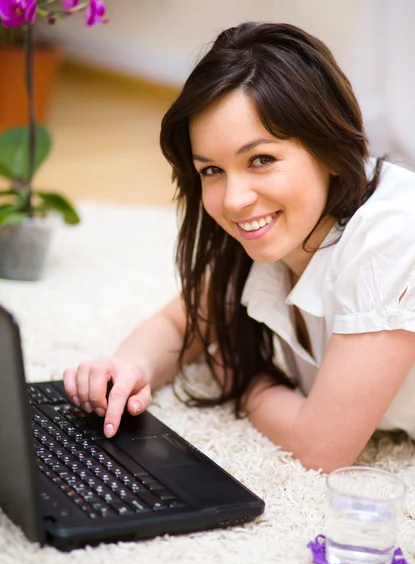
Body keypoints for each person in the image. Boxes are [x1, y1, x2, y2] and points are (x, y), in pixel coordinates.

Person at [63, 22, 415, 473]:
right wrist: (129, 366)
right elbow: (183, 319)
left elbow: (319, 450)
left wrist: (238, 374)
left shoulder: (390, 235)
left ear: (327, 150)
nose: (233, 200)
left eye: (261, 160)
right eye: (211, 170)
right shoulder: (276, 231)